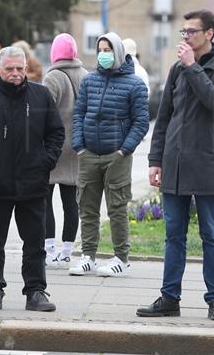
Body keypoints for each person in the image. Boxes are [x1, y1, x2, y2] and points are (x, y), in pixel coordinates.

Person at [137, 9, 214, 324]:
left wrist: (193, 67)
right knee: (173, 235)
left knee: (211, 233)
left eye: (191, 31)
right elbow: (164, 118)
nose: (185, 37)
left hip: (207, 163)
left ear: (209, 33)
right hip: (176, 163)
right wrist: (155, 160)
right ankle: (169, 298)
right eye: (183, 32)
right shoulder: (177, 70)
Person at [0, 46, 64, 312]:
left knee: (35, 244)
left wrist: (45, 162)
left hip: (33, 183)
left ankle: (36, 291)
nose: (16, 74)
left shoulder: (41, 95)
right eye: (10, 69)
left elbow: (55, 134)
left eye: (20, 68)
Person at [69, 32, 149, 278]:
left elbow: (141, 122)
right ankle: (88, 257)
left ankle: (121, 258)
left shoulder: (134, 84)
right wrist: (79, 146)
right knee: (87, 208)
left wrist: (124, 150)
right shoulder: (90, 81)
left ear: (119, 53)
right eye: (100, 49)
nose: (103, 54)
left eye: (108, 50)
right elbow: (79, 113)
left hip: (117, 156)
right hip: (89, 154)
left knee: (117, 208)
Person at [41, 33, 89, 269]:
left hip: (53, 148)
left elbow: (43, 113)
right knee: (72, 204)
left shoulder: (52, 78)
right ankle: (68, 250)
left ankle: (49, 250)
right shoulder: (86, 76)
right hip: (78, 148)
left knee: (45, 201)